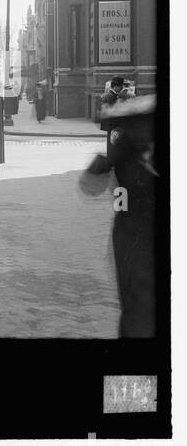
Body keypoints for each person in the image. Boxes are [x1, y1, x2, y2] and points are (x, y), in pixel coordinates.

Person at [80, 93, 156, 338]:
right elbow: (92, 185)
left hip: (133, 234)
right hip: (134, 236)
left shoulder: (128, 136)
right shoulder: (128, 140)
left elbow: (90, 185)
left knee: (139, 311)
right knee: (140, 312)